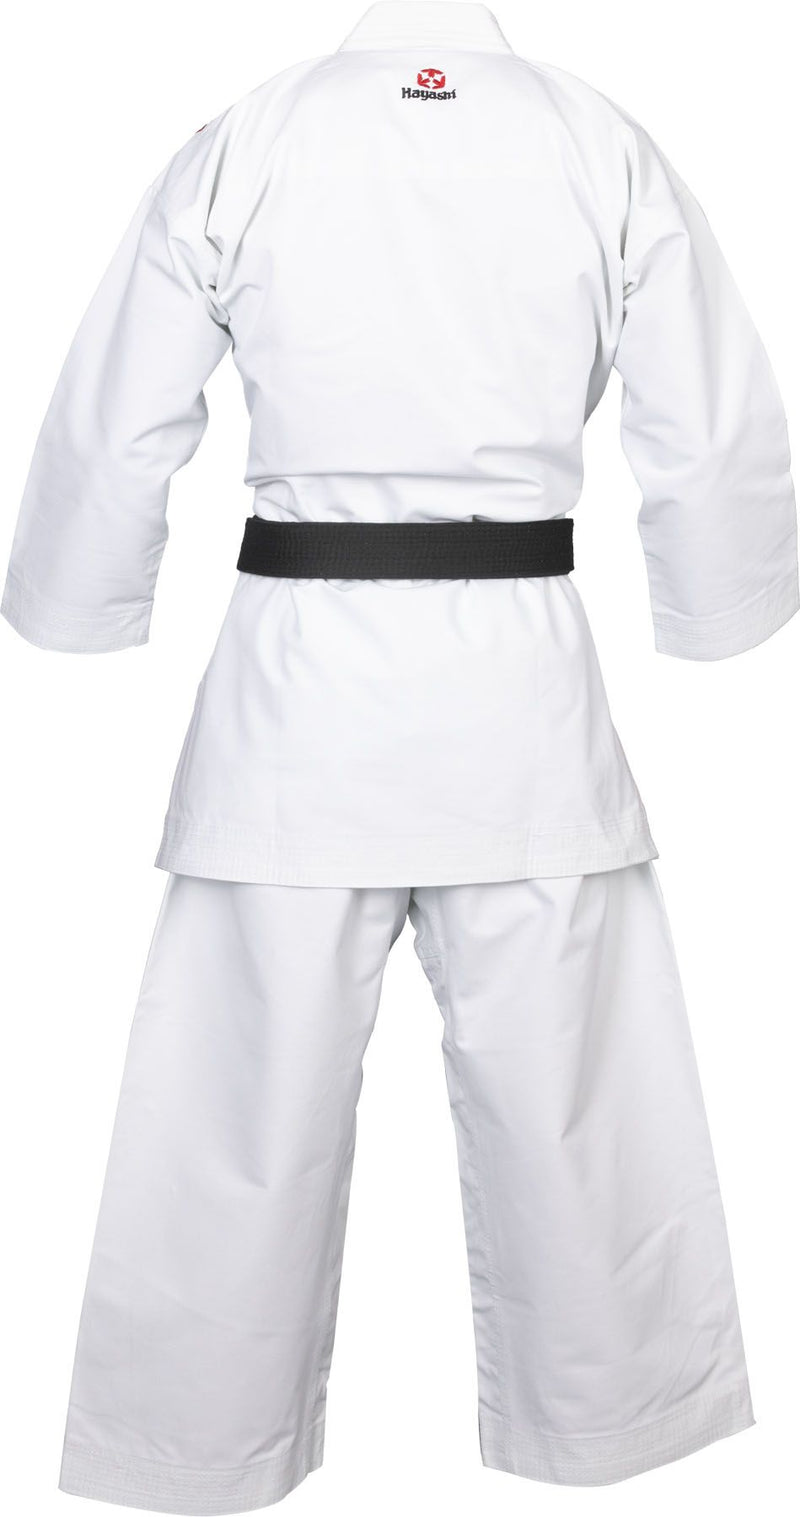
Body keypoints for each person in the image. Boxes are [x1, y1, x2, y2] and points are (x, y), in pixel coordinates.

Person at [3, 3, 796, 1511]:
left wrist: (76, 600)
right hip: (522, 695)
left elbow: (120, 408)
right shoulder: (593, 139)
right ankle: (619, 1432)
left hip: (294, 703)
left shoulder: (254, 136)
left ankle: (189, 1452)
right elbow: (711, 419)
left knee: (233, 1113)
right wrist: (719, 606)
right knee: (579, 1102)